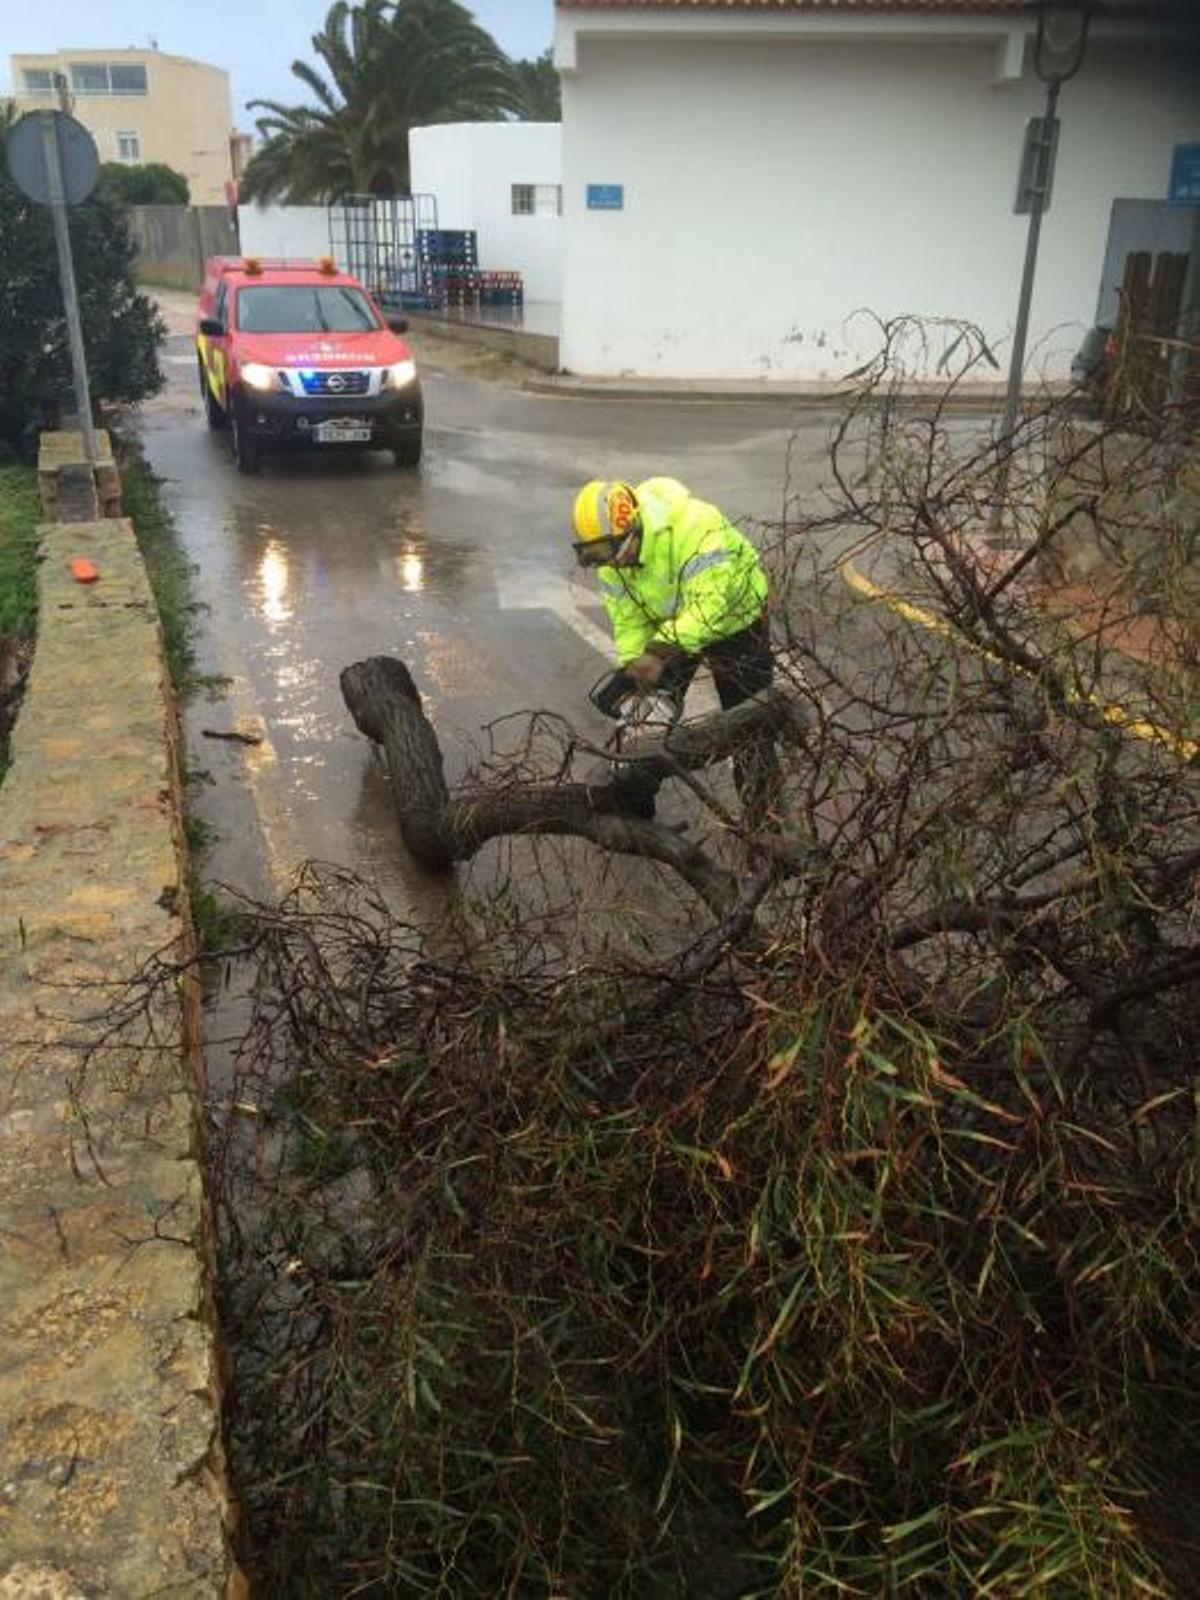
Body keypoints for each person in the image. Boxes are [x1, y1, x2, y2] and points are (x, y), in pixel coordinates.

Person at [571, 476, 779, 819]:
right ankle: (635, 809)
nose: (609, 564)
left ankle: (766, 823)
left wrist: (656, 655)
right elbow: (628, 622)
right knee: (644, 719)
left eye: (611, 553)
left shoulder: (697, 526)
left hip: (736, 622)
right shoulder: (612, 562)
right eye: (598, 556)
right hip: (672, 631)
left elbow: (708, 609)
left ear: (632, 528)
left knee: (749, 728)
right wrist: (634, 670)